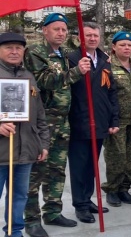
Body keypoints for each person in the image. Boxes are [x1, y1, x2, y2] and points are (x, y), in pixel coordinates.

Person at [23, 13, 91, 237]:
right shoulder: (36, 52)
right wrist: (76, 72)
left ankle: (52, 212)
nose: (61, 33)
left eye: (64, 29)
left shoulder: (64, 54)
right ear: (45, 31)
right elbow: (44, 81)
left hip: (62, 121)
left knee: (57, 170)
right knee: (36, 173)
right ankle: (31, 220)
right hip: (42, 124)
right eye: (56, 29)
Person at [67, 22, 119, 224]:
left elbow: (111, 91)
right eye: (88, 35)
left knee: (92, 166)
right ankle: (80, 205)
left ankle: (87, 199)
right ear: (80, 38)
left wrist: (113, 119)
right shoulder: (72, 59)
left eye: (95, 35)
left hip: (100, 120)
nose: (92, 38)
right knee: (79, 166)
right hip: (80, 120)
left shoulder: (104, 59)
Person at [0, 32, 50, 237]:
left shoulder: (28, 76)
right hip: (1, 151)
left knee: (19, 196)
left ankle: (14, 232)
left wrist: (43, 143)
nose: (14, 51)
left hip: (25, 151)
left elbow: (39, 115)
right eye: (8, 47)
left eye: (18, 48)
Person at [102, 31, 131, 207]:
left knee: (130, 157)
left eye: (129, 45)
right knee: (116, 156)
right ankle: (112, 189)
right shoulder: (108, 66)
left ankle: (124, 189)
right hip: (117, 121)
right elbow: (104, 95)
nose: (127, 48)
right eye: (122, 45)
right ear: (114, 47)